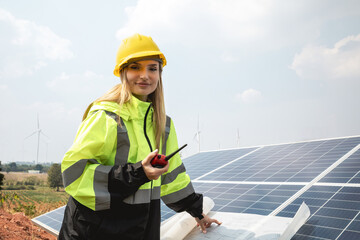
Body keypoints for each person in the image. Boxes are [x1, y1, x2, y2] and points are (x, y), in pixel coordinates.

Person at [58, 33, 221, 240]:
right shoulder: (106, 117)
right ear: (122, 72)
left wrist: (197, 212)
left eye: (152, 68)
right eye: (135, 67)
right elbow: (74, 174)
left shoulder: (164, 124)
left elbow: (173, 178)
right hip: (94, 231)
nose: (145, 75)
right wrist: (137, 173)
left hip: (141, 229)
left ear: (159, 74)